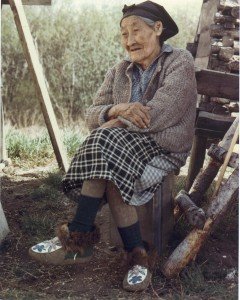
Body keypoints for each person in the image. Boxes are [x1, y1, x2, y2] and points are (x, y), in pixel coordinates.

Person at [29, 1, 197, 292]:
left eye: (136, 31)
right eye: (123, 33)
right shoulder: (119, 70)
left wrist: (112, 124)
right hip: (122, 146)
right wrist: (115, 110)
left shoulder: (179, 60)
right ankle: (138, 259)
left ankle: (78, 234)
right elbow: (91, 113)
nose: (129, 40)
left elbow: (161, 112)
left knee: (104, 140)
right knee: (107, 153)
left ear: (158, 29)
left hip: (164, 145)